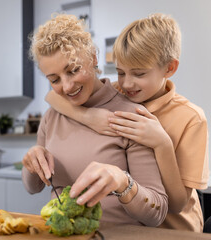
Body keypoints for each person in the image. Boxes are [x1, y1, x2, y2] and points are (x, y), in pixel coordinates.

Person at [45, 13, 209, 232]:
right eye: (120, 72)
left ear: (169, 68)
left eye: (139, 74)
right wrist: (88, 117)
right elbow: (52, 97)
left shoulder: (191, 118)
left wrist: (162, 144)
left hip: (173, 231)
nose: (127, 82)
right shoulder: (118, 93)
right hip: (128, 229)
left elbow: (178, 204)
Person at [22, 13, 168, 227]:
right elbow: (32, 187)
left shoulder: (131, 116)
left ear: (93, 58)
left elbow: (157, 212)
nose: (67, 86)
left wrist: (122, 181)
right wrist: (31, 163)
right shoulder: (52, 116)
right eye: (54, 80)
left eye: (73, 70)